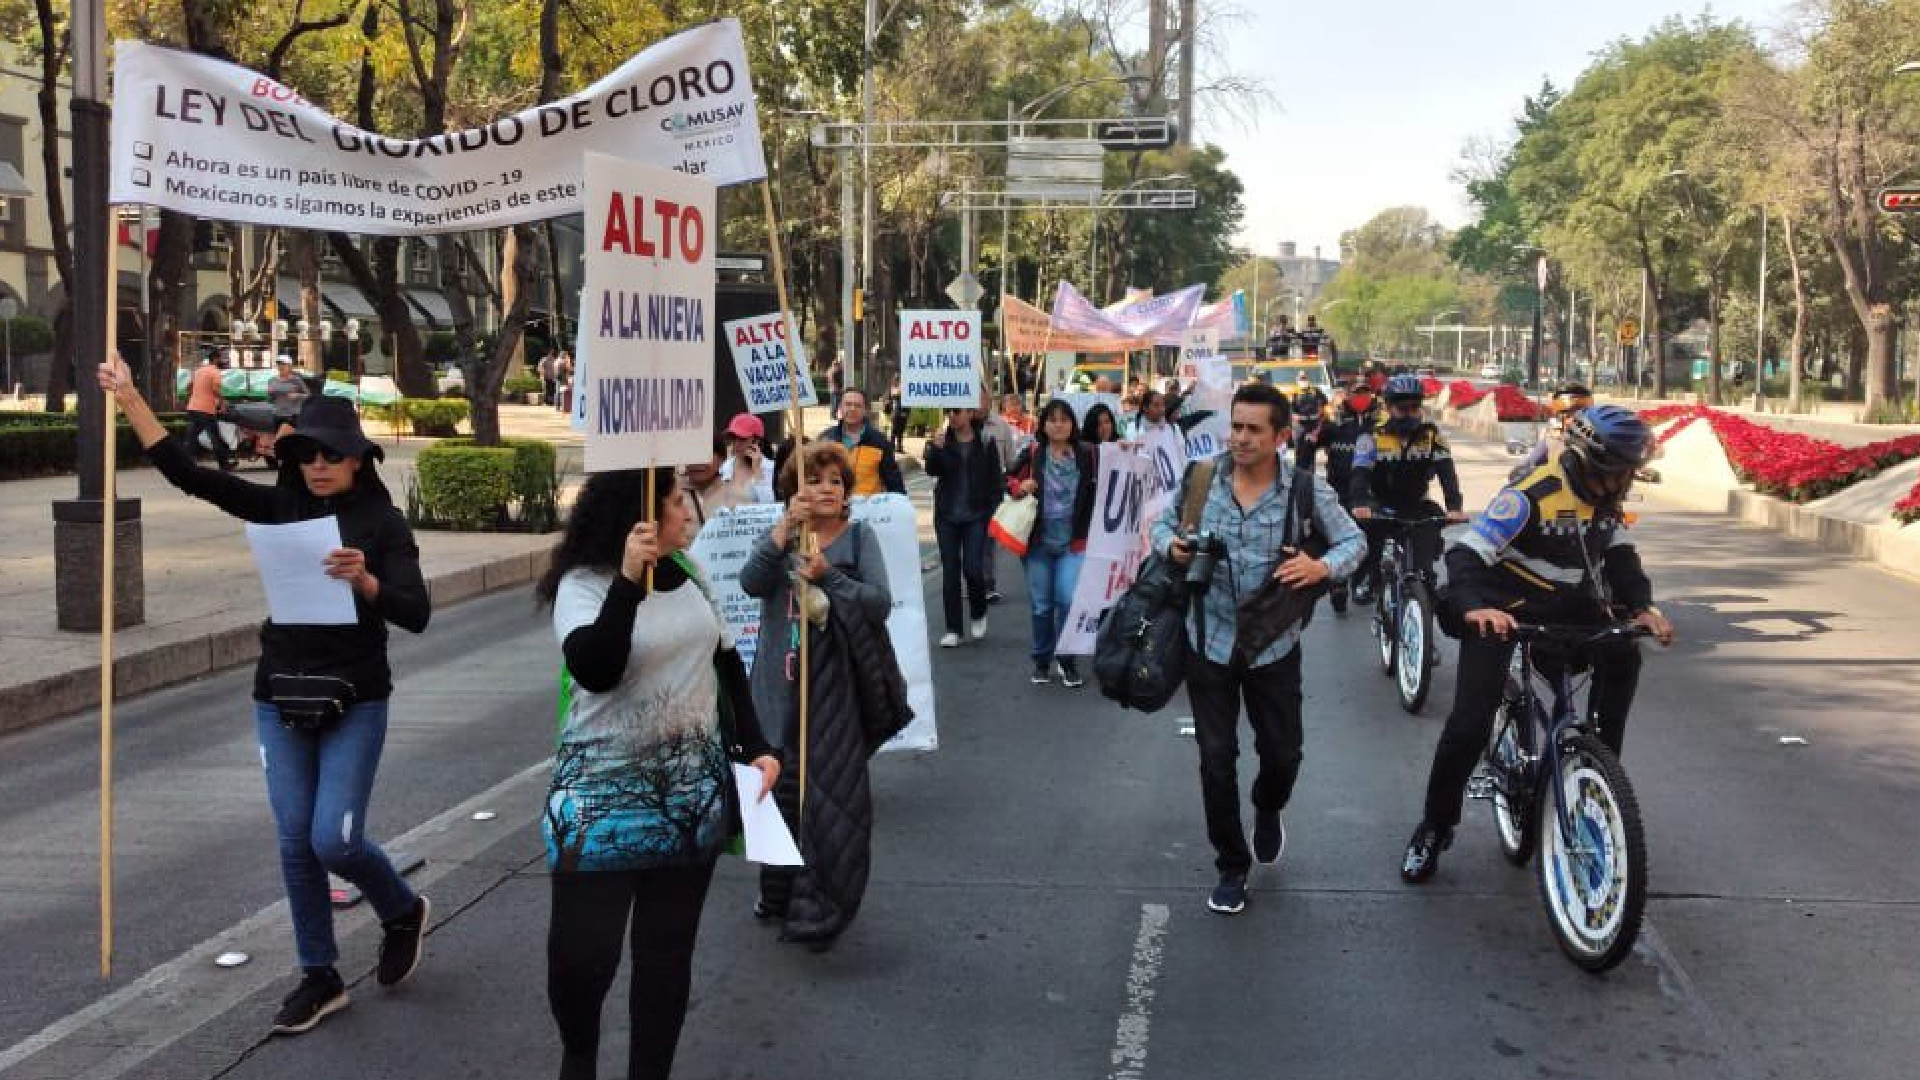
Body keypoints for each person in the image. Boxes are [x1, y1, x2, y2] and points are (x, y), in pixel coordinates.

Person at [98, 356, 432, 1034]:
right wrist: (130, 396)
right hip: (278, 693)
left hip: (356, 698)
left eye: (332, 455)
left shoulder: (383, 526)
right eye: (306, 452)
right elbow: (190, 475)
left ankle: (400, 909)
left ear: (358, 461)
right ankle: (320, 974)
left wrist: (368, 582)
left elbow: (416, 611)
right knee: (293, 841)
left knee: (333, 840)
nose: (317, 465)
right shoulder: (281, 505)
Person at [536, 467, 781, 1080]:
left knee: (666, 958)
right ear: (638, 519)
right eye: (675, 502)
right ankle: (579, 1058)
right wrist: (626, 580)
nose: (688, 510)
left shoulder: (693, 575)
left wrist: (757, 747)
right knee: (581, 963)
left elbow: (727, 664)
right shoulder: (583, 585)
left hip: (689, 800)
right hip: (598, 804)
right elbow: (596, 668)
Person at [1402, 406, 1674, 882]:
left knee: (1624, 652)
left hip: (1568, 608)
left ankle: (1598, 768)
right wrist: (1475, 609)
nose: (1628, 482)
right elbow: (1466, 553)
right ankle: (1433, 827)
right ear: (1596, 465)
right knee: (1468, 725)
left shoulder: (1608, 498)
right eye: (1624, 473)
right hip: (1501, 609)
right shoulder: (1530, 496)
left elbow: (1619, 559)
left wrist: (1643, 608)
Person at [1150, 382, 1365, 915]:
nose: (1241, 438)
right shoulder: (1202, 478)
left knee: (1283, 755)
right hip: (1209, 642)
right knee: (1216, 758)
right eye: (1236, 425)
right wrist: (1170, 545)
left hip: (1274, 645)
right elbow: (1159, 524)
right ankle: (1231, 865)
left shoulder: (1305, 491)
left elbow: (1354, 542)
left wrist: (1322, 567)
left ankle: (1268, 808)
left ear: (1280, 436)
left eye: (1253, 429)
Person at [740, 442, 893, 948]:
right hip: (775, 689)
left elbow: (878, 605)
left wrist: (833, 579)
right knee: (775, 794)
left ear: (847, 493)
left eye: (835, 482)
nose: (825, 490)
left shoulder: (859, 538)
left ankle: (821, 893)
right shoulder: (782, 536)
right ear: (792, 491)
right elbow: (750, 582)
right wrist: (783, 532)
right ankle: (775, 891)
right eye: (814, 481)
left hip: (832, 695)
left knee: (824, 796)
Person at [1348, 374, 1466, 605]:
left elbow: (1447, 473)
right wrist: (1359, 504)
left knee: (1429, 534)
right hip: (1378, 503)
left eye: (1414, 408)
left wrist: (1454, 507)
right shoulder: (1371, 437)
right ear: (1389, 408)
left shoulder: (1433, 436)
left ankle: (1423, 584)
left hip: (1416, 503)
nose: (1409, 414)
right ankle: (1367, 577)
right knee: (1369, 536)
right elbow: (1359, 476)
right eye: (1402, 409)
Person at [1006, 400, 1096, 687]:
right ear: (1044, 424)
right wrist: (1019, 487)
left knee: (1067, 600)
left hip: (1073, 543)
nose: (1058, 424)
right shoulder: (1033, 453)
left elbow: (1115, 470)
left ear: (1072, 424)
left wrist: (1126, 450)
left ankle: (1066, 660)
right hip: (1038, 544)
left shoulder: (1088, 454)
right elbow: (1006, 478)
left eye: (1064, 419)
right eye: (1052, 419)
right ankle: (1042, 660)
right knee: (1041, 606)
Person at [925, 406, 1004, 646]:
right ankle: (953, 629)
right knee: (950, 572)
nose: (952, 416)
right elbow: (932, 470)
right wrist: (934, 450)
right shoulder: (942, 441)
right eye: (949, 412)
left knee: (972, 568)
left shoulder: (986, 441)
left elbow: (995, 480)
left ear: (970, 414)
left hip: (976, 516)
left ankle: (978, 612)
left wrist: (993, 511)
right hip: (947, 515)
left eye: (957, 411)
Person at [1319, 383, 1382, 612]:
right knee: (1337, 538)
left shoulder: (1380, 426)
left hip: (1369, 494)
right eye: (1357, 394)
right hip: (1337, 491)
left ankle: (1362, 580)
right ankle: (1338, 585)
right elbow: (1308, 448)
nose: (1361, 398)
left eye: (1365, 393)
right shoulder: (1334, 425)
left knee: (1369, 539)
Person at [816, 387, 905, 496]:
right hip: (833, 507)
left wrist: (901, 504)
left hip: (869, 508)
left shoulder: (879, 441)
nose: (852, 409)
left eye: (857, 405)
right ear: (840, 407)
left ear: (865, 410)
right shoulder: (826, 439)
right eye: (848, 404)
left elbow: (894, 481)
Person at [1510, 383, 1595, 482]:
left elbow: (1522, 470)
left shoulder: (1553, 440)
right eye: (1573, 410)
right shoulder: (1554, 437)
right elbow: (1524, 468)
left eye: (1581, 409)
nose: (1577, 415)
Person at [187, 351, 235, 471]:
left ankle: (186, 462)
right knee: (215, 438)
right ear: (215, 359)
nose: (223, 361)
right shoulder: (215, 372)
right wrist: (222, 403)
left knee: (191, 437)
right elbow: (215, 390)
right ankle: (224, 465)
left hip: (193, 408)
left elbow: (189, 386)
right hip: (206, 410)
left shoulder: (199, 370)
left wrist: (195, 396)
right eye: (221, 359)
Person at [718, 412, 777, 503]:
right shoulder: (724, 467)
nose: (736, 444)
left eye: (742, 439)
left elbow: (770, 506)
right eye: (733, 437)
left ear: (757, 442)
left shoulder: (772, 469)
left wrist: (758, 472)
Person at [1289, 375, 1329, 472]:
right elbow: (1290, 409)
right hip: (1299, 426)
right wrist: (1295, 416)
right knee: (1299, 451)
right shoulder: (1294, 392)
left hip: (1313, 425)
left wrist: (1320, 414)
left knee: (1311, 449)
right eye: (1301, 379)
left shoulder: (1315, 391)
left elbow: (1324, 402)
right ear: (1297, 380)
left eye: (1304, 379)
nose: (1303, 381)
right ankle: (1298, 474)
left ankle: (1311, 476)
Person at [267, 355, 310, 423]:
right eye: (279, 364)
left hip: (292, 415)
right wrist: (270, 394)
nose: (281, 366)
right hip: (277, 414)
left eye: (284, 364)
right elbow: (270, 400)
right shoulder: (272, 380)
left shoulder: (296, 380)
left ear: (289, 366)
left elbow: (308, 395)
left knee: (287, 434)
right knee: (278, 433)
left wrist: (297, 395)